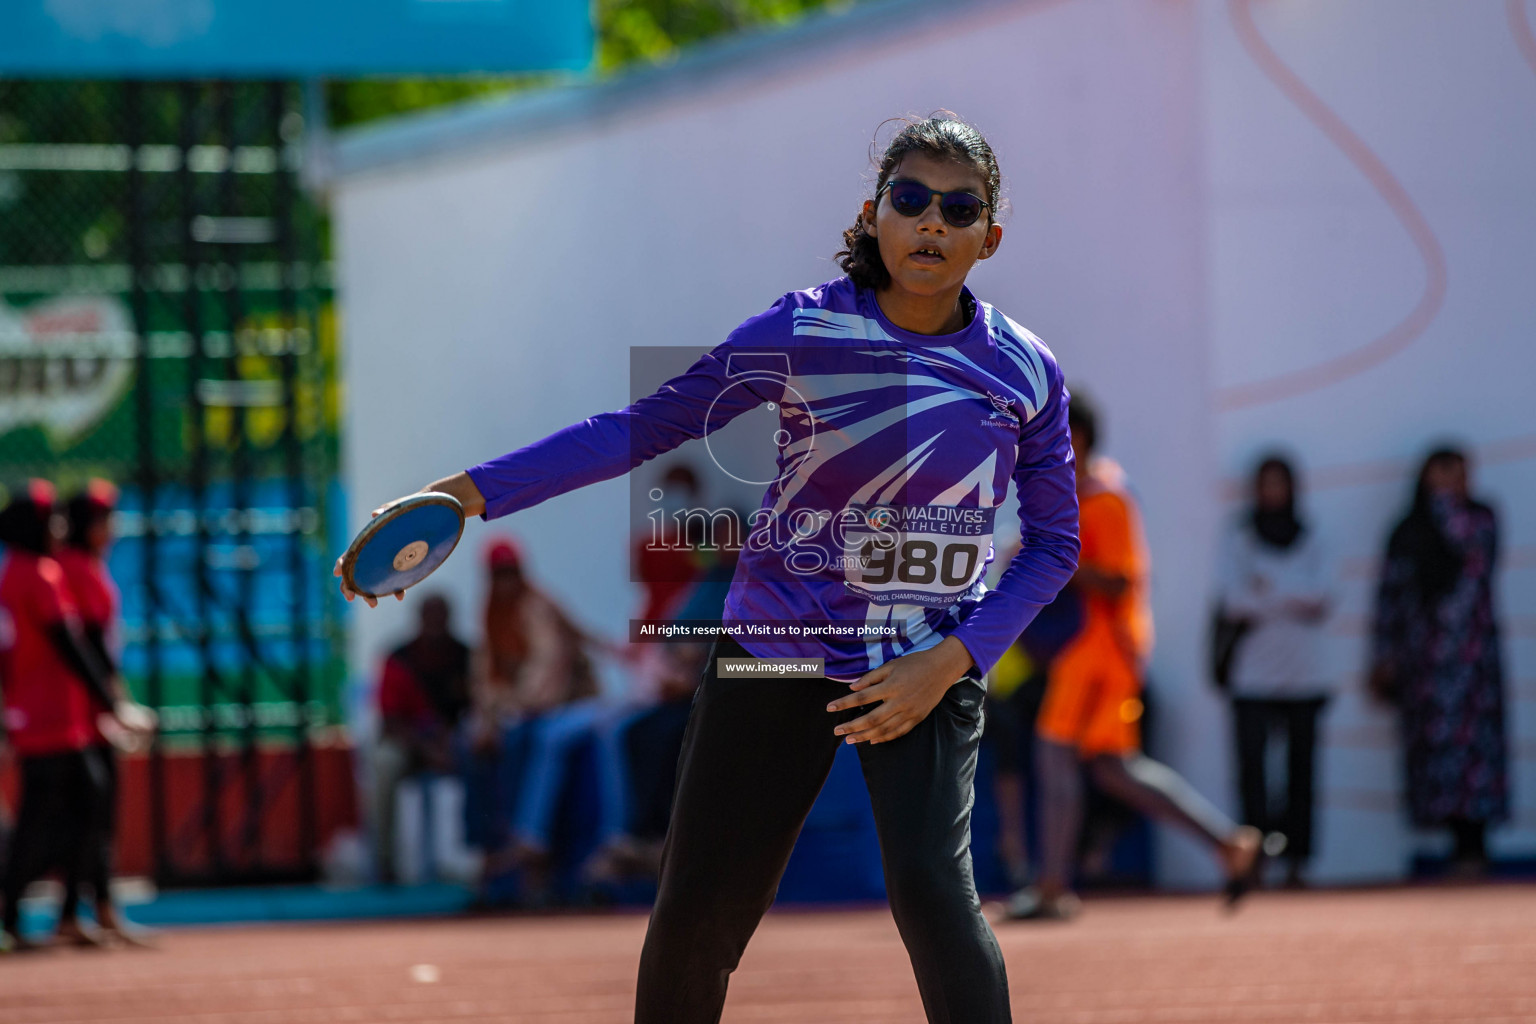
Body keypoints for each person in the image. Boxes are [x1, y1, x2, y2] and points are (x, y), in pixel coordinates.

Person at [340, 117, 1080, 1024]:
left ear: (989, 237)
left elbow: (1053, 545)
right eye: (911, 199)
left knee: (934, 893)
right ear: (874, 213)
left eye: (959, 208)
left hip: (922, 662)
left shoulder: (1026, 372)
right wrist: (467, 493)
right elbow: (642, 428)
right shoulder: (804, 328)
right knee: (701, 916)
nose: (932, 222)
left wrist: (954, 661)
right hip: (779, 649)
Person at [1002, 397, 1263, 921]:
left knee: (1057, 756)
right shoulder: (1072, 496)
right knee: (1115, 770)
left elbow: (1120, 581)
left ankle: (1053, 887)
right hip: (1090, 651)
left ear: (1082, 438)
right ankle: (1231, 844)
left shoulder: (1107, 500)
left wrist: (1052, 560)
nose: (1050, 444)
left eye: (1060, 434)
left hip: (1100, 652)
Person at [0, 481, 151, 952]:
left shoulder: (24, 570)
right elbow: (73, 644)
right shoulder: (44, 573)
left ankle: (59, 914)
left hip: (50, 714)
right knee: (56, 818)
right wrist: (114, 705)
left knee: (75, 812)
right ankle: (20, 916)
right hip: (54, 718)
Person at [1370, 447, 1506, 877]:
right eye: (1443, 474)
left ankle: (1474, 848)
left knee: (1477, 761)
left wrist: (1445, 501)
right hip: (1425, 666)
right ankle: (1450, 848)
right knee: (1435, 761)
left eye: (1460, 474)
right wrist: (1383, 656)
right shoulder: (1407, 531)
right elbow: (1388, 597)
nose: (1453, 481)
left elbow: (1470, 549)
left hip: (1473, 668)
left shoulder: (1482, 519)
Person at [1216, 455, 1332, 887]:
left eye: (1280, 483)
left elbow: (1323, 596)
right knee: (1253, 774)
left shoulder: (1315, 534)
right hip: (1253, 674)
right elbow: (1232, 600)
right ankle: (1255, 861)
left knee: (1302, 772)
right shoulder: (1239, 538)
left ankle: (1298, 861)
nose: (1273, 492)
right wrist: (1292, 596)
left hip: (1307, 673)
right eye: (1265, 483)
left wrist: (1266, 588)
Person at [54, 479, 153, 945]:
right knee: (92, 810)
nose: (110, 529)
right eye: (104, 520)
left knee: (96, 810)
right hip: (83, 710)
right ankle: (85, 909)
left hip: (91, 705)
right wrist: (116, 704)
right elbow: (90, 644)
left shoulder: (79, 565)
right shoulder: (75, 568)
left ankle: (95, 908)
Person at [371, 592, 470, 884]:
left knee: (489, 755)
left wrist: (448, 746)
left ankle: (487, 861)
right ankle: (385, 863)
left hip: (452, 746)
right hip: (409, 746)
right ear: (419, 619)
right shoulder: (399, 658)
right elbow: (389, 723)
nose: (436, 623)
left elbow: (476, 711)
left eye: (442, 616)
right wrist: (426, 749)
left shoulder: (466, 656)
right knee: (384, 763)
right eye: (430, 616)